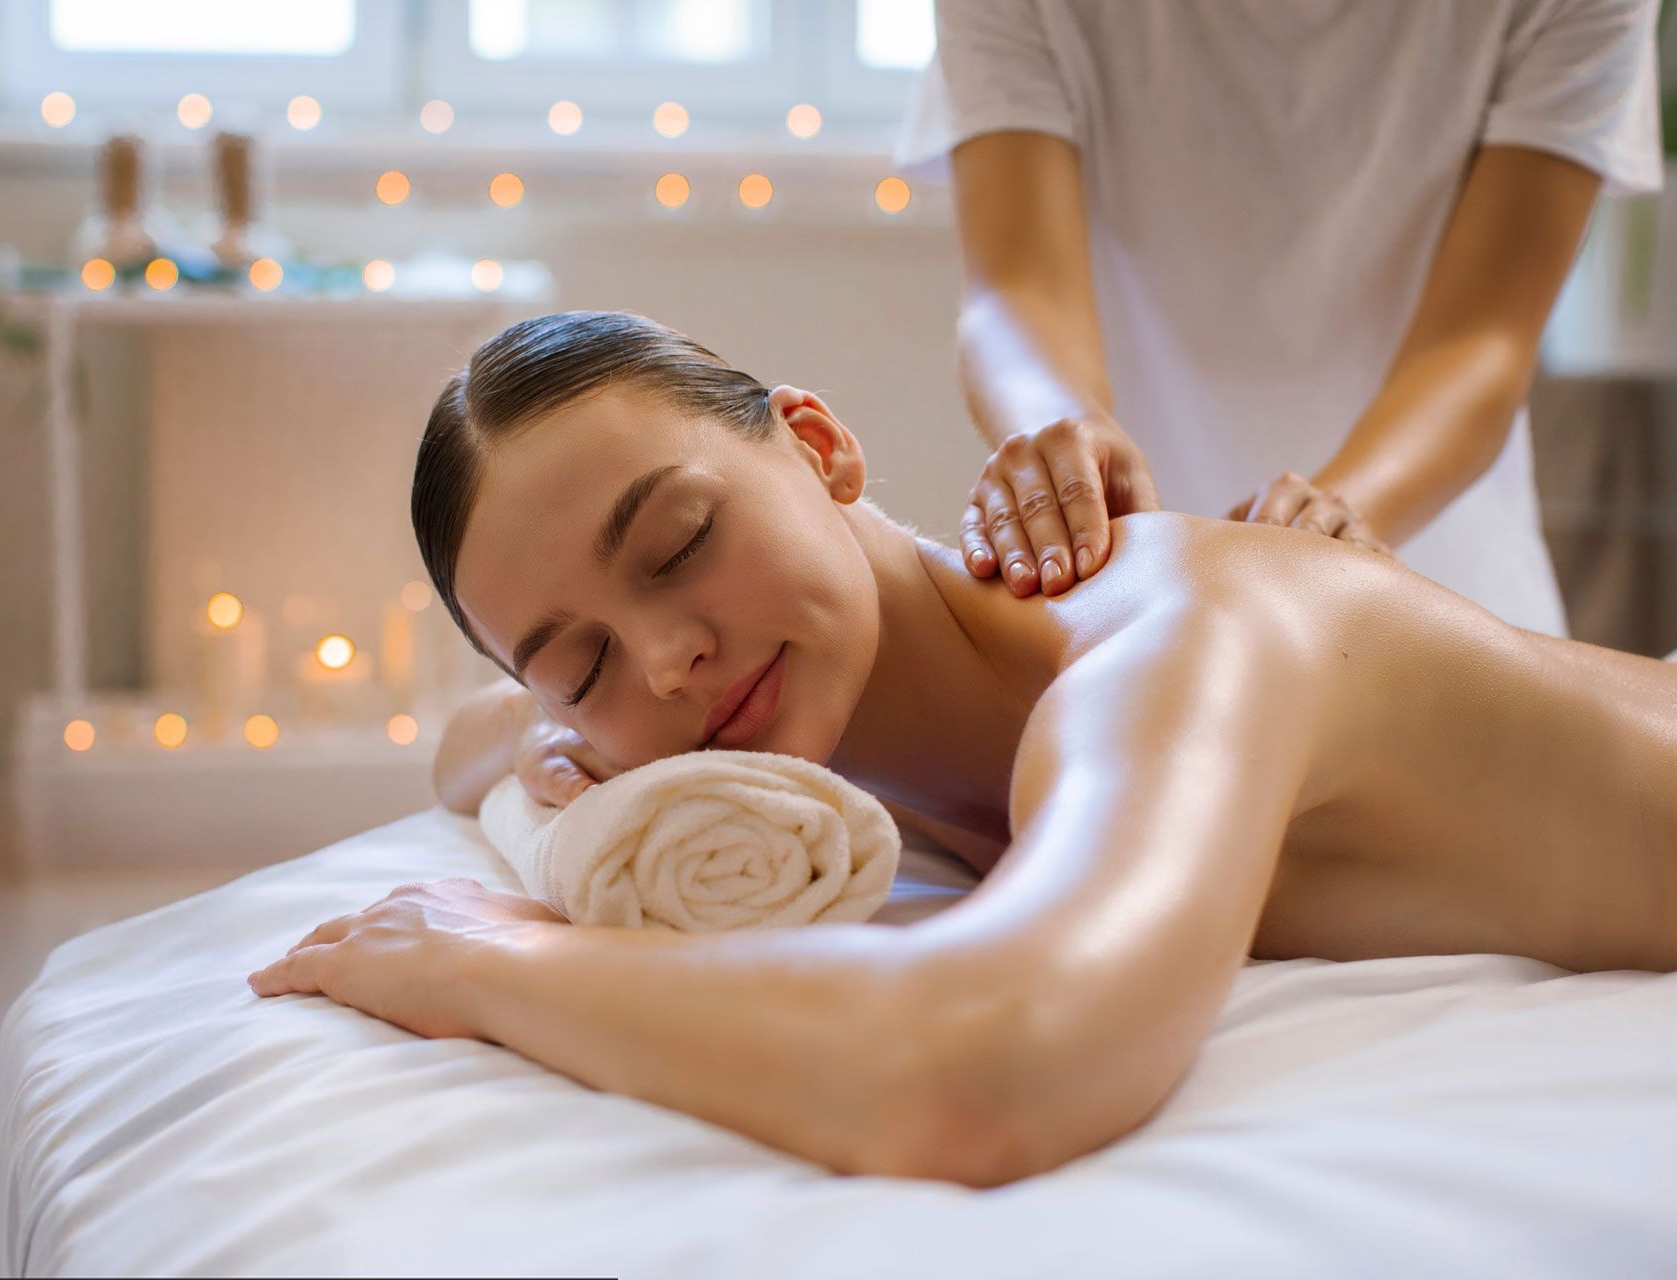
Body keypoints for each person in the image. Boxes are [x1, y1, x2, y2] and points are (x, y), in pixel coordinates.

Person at [250, 313, 1676, 1189]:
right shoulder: (757, 716)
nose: (668, 657)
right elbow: (474, 743)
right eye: (581, 662)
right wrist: (553, 738)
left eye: (680, 544)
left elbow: (998, 1065)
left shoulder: (1170, 638)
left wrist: (495, 965)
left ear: (820, 447)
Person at [905, 0, 1665, 636]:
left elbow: (1484, 340)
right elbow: (1016, 291)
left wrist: (1329, 528)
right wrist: (1058, 440)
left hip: (1446, 604)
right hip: (1116, 599)